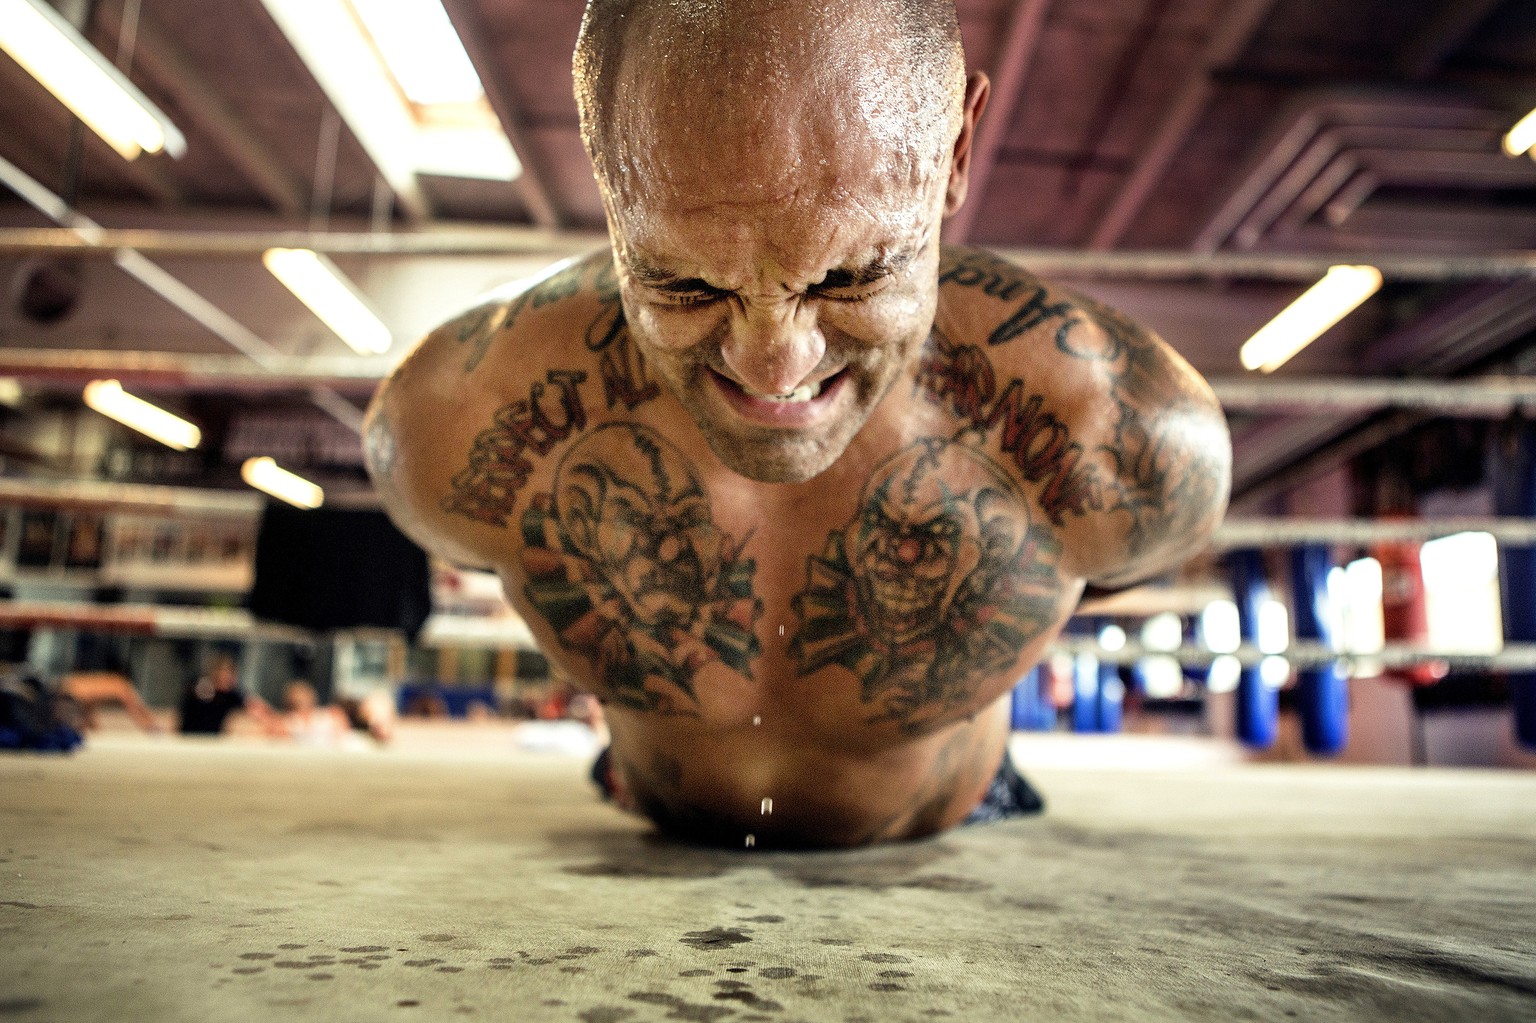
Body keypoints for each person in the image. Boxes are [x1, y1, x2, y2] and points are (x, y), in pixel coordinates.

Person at [364, 0, 1231, 848]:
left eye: (850, 279)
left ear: (955, 151)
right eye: (687, 287)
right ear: (609, 173)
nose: (773, 367)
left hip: (951, 811)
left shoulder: (1121, 431)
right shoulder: (457, 417)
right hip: (647, 805)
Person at [177, 654, 281, 736]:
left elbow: (258, 707)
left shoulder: (233, 695)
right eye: (223, 672)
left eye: (230, 673)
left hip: (216, 741)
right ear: (214, 673)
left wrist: (271, 718)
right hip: (191, 738)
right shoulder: (200, 688)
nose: (227, 677)